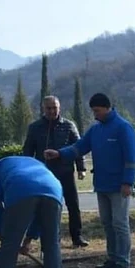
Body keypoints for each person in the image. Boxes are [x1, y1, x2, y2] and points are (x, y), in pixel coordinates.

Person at [44, 93, 135, 268]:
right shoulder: (96, 130)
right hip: (102, 185)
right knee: (107, 223)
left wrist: (128, 182)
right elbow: (79, 147)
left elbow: (132, 158)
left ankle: (123, 261)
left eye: (97, 111)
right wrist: (59, 154)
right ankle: (112, 259)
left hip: (119, 186)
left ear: (107, 107)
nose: (95, 115)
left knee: (120, 224)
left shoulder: (123, 128)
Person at [22, 95, 90, 248]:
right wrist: (27, 172)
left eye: (55, 108)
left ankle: (77, 236)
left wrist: (81, 168)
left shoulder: (69, 125)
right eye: (49, 108)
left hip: (65, 171)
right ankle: (53, 237)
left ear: (59, 108)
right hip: (44, 175)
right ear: (43, 109)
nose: (52, 111)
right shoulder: (34, 127)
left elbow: (78, 148)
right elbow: (28, 151)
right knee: (49, 207)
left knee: (73, 205)